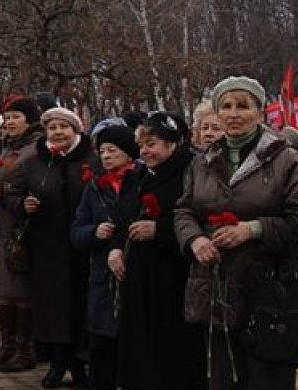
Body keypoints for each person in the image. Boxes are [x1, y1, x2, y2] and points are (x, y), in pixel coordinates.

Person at [174, 76, 298, 390]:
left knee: (266, 378)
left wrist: (253, 229)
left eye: (243, 106)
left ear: (259, 111)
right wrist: (195, 239)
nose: (234, 114)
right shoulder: (203, 162)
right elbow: (185, 210)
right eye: (226, 106)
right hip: (216, 289)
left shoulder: (286, 160)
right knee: (221, 376)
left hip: (269, 291)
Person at [107, 112, 204, 390]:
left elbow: (197, 220)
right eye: (142, 145)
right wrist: (115, 249)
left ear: (172, 143)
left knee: (171, 350)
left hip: (173, 276)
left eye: (152, 144)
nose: (145, 151)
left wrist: (159, 230)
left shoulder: (190, 172)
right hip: (138, 275)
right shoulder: (139, 175)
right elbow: (124, 217)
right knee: (139, 346)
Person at [12, 106, 91, 388]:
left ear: (76, 130)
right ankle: (57, 364)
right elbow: (14, 194)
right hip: (47, 247)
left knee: (81, 307)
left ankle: (81, 364)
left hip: (84, 249)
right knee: (53, 310)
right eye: (52, 127)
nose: (58, 132)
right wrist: (24, 204)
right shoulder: (34, 162)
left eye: (64, 127)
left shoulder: (91, 160)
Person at [0, 95, 42, 373]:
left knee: (20, 293)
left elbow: (35, 191)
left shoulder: (35, 150)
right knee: (3, 292)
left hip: (20, 233)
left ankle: (25, 349)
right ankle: (8, 346)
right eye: (7, 116)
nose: (10, 121)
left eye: (17, 116)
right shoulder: (8, 149)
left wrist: (3, 193)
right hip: (0, 229)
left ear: (29, 120)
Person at [70, 123, 136, 390]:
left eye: (113, 150)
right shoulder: (94, 187)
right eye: (102, 151)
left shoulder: (141, 180)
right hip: (101, 276)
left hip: (133, 273)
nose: (106, 156)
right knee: (102, 347)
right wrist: (93, 232)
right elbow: (76, 230)